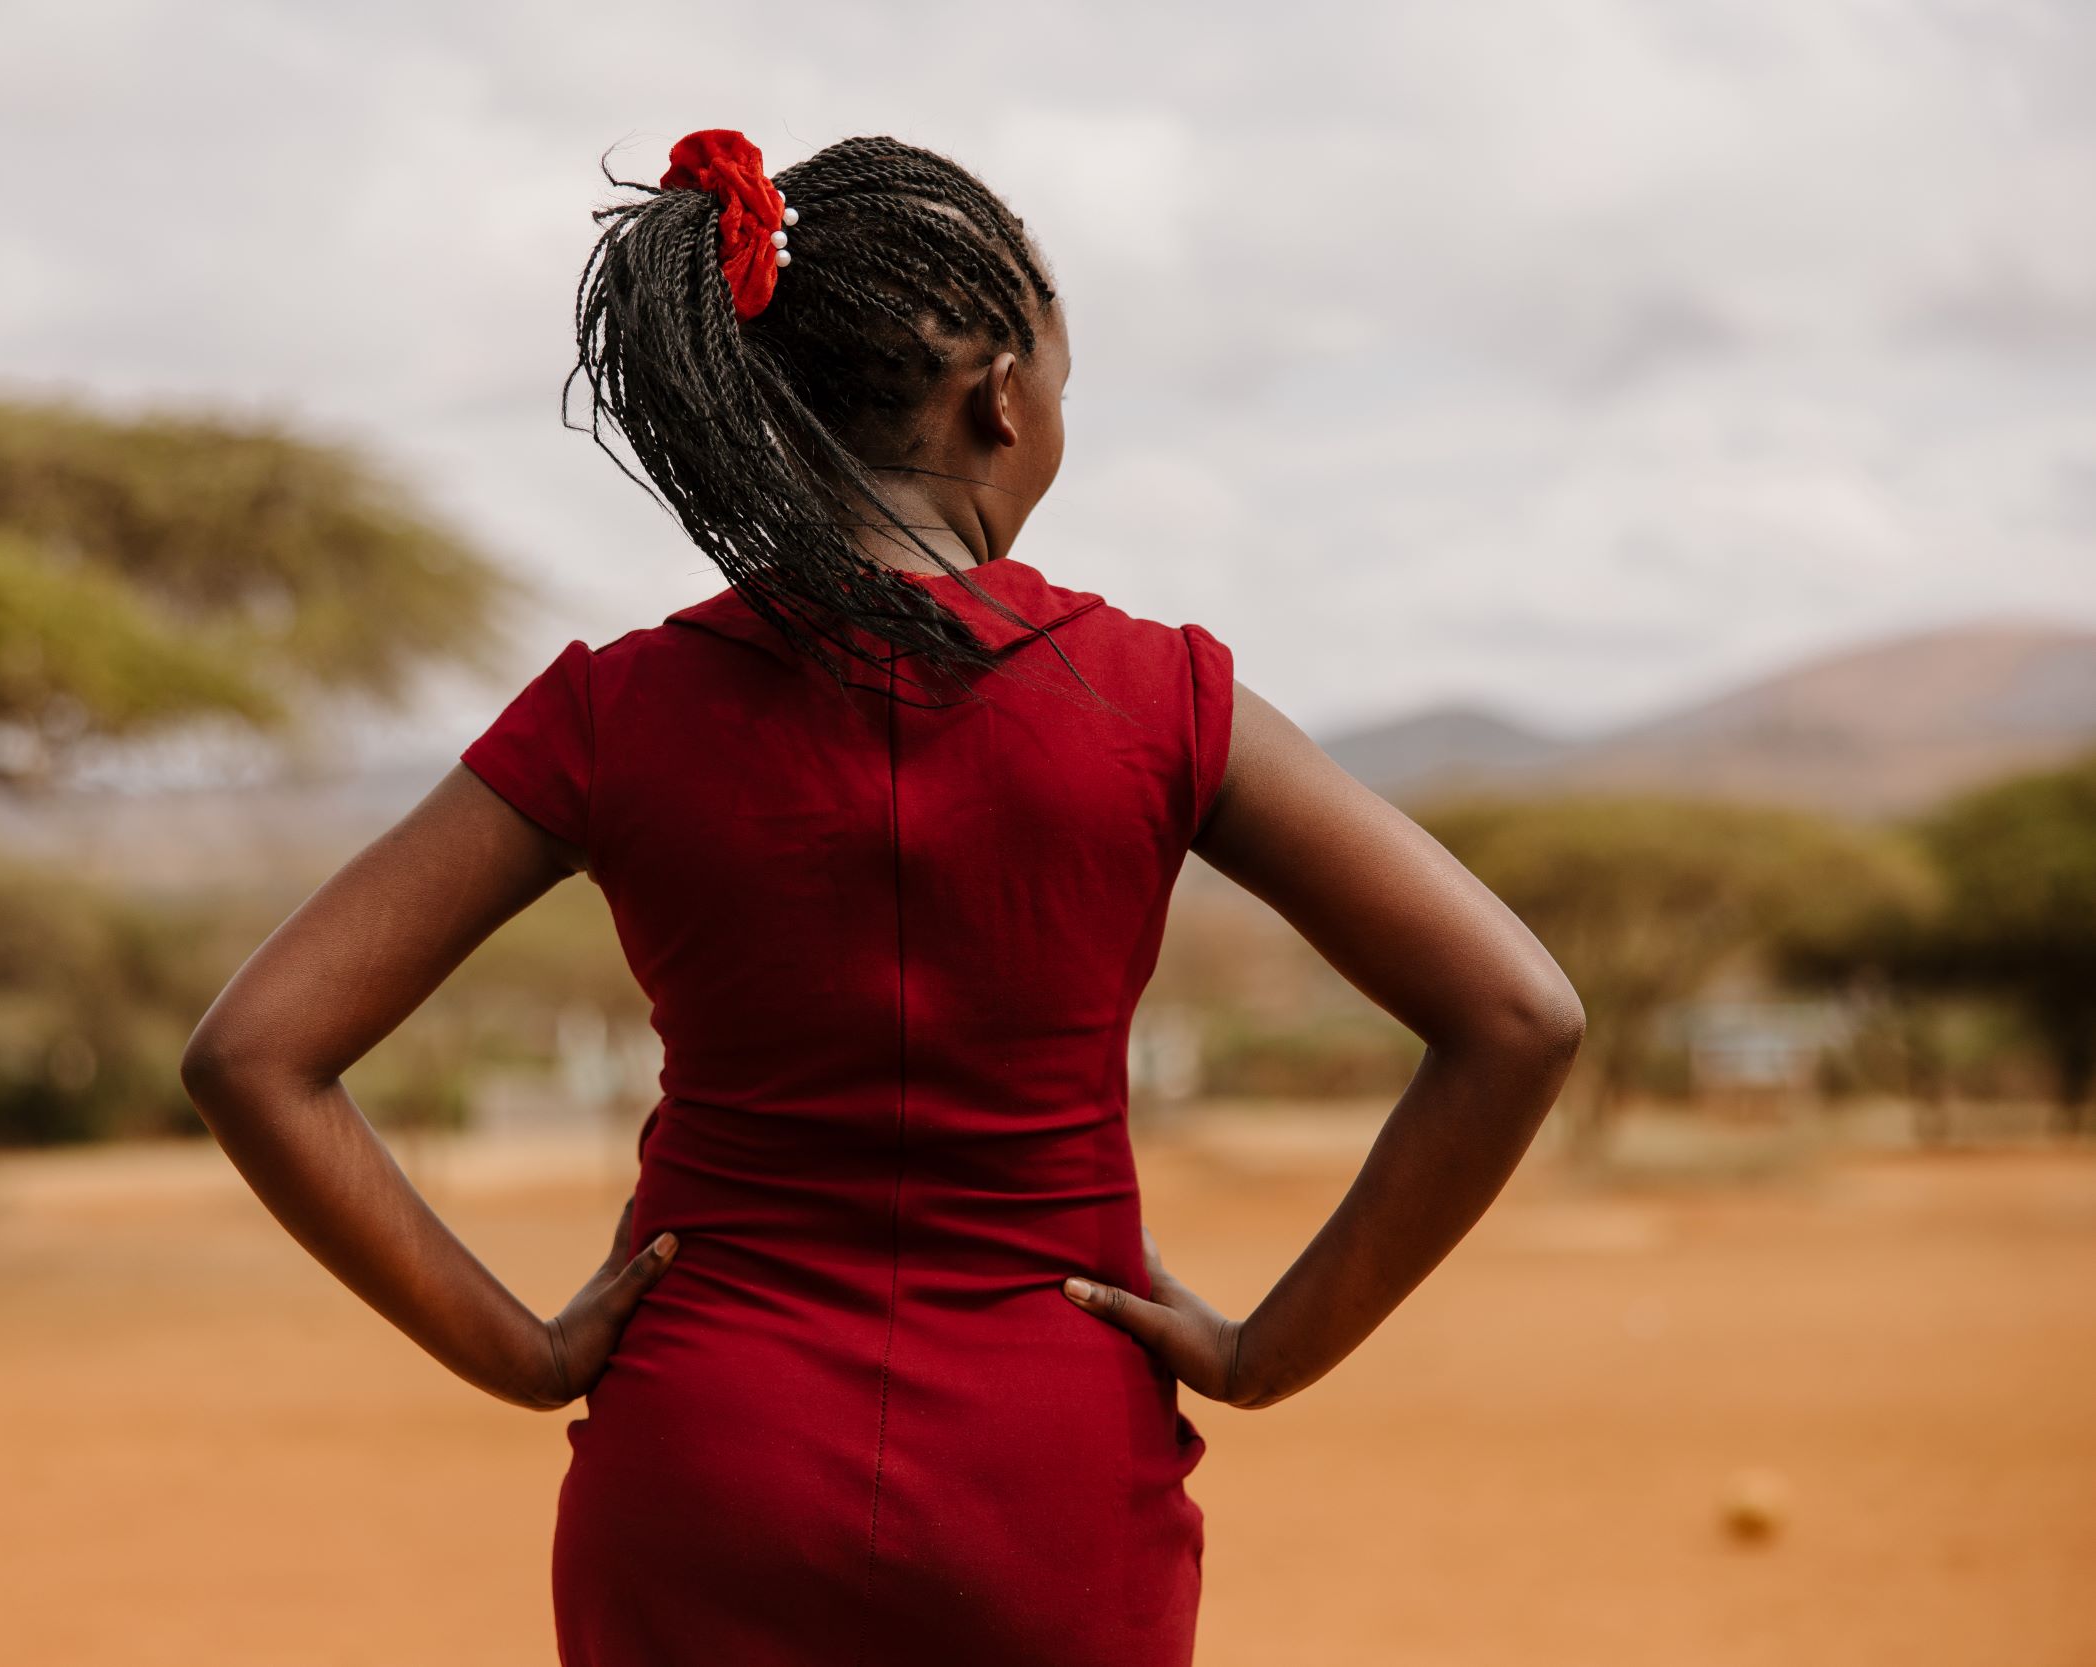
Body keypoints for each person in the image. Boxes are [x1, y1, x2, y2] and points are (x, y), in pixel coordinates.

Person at [180, 130, 1584, 1667]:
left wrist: (522, 1355)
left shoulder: (615, 709)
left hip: (705, 1453)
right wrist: (1266, 1352)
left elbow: (255, 1053)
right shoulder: (1161, 696)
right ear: (1002, 397)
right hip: (1050, 1472)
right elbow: (1517, 1013)